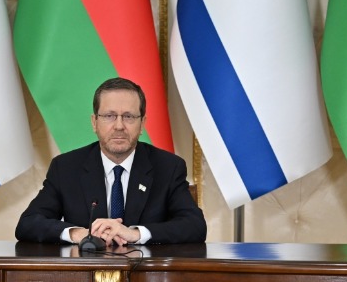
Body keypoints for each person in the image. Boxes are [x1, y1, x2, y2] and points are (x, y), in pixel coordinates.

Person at [15, 77, 206, 245]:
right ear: (94, 122)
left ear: (142, 124)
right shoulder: (66, 167)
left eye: (129, 116)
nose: (119, 126)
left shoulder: (169, 167)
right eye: (109, 116)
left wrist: (135, 234)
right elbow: (28, 223)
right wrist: (78, 234)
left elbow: (195, 225)